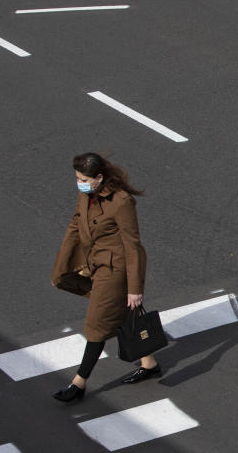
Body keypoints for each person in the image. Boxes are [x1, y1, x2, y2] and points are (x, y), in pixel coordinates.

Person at [50, 153, 161, 402]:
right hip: (95, 263)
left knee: (96, 325)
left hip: (114, 269)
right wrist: (63, 264)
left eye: (83, 179)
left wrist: (135, 287)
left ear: (98, 178)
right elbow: (76, 222)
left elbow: (133, 246)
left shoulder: (122, 202)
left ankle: (79, 383)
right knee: (120, 310)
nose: (79, 183)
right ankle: (149, 363)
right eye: (77, 178)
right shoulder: (86, 193)